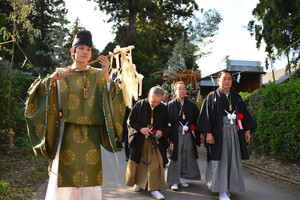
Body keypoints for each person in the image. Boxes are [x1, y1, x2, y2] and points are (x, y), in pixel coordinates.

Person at [25, 30, 125, 200]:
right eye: (82, 48)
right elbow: (41, 96)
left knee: (91, 181)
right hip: (66, 133)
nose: (86, 52)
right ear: (73, 52)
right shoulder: (62, 74)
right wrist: (52, 80)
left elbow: (113, 99)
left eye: (89, 49)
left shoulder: (99, 75)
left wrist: (107, 73)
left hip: (90, 136)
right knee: (63, 181)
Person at [197, 70, 256, 200]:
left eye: (229, 79)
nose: (227, 81)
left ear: (232, 81)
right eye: (224, 78)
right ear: (218, 80)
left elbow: (244, 114)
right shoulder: (211, 97)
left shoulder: (236, 97)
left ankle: (229, 186)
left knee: (232, 159)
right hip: (218, 133)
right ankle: (221, 189)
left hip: (234, 132)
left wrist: (247, 130)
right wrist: (208, 133)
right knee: (220, 160)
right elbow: (205, 117)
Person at [125, 86, 169, 200]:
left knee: (155, 164)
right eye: (153, 101)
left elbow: (167, 124)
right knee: (139, 162)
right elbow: (130, 121)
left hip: (155, 141)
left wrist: (161, 132)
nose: (155, 104)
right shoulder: (139, 105)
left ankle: (154, 189)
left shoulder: (163, 108)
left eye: (158, 102)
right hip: (140, 139)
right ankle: (138, 183)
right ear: (149, 95)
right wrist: (140, 128)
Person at [166, 81, 203, 191]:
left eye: (184, 89)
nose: (182, 91)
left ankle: (180, 178)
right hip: (175, 134)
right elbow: (166, 122)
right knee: (175, 156)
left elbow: (197, 120)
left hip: (188, 134)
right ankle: (174, 181)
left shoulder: (191, 105)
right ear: (175, 90)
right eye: (179, 89)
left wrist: (200, 133)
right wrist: (167, 136)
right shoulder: (170, 105)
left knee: (186, 155)